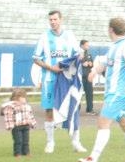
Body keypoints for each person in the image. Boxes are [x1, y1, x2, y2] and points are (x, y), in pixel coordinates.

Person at [78, 17, 125, 162]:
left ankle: (93, 158)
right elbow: (105, 63)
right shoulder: (115, 46)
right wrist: (94, 70)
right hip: (114, 92)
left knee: (103, 122)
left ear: (110, 29)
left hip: (118, 93)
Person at [31, 9, 85, 153]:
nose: (53, 22)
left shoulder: (69, 36)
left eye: (55, 19)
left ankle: (76, 142)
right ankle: (50, 143)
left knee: (73, 109)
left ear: (61, 20)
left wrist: (80, 56)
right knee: (49, 110)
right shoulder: (44, 37)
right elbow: (36, 58)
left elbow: (78, 54)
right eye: (51, 20)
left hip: (67, 80)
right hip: (50, 79)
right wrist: (51, 68)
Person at [1, 87, 37, 157]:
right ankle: (17, 153)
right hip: (17, 127)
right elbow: (9, 116)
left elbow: (30, 115)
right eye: (22, 97)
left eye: (24, 97)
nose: (24, 99)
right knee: (18, 141)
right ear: (16, 98)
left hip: (26, 126)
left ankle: (26, 152)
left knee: (26, 141)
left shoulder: (27, 106)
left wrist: (33, 123)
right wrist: (10, 126)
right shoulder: (10, 106)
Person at [79, 39, 96, 115]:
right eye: (86, 45)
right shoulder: (77, 53)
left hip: (88, 76)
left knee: (89, 93)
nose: (88, 47)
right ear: (82, 45)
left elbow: (92, 64)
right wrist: (82, 63)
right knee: (78, 94)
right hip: (80, 76)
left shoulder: (89, 54)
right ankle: (76, 109)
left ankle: (89, 109)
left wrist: (90, 63)